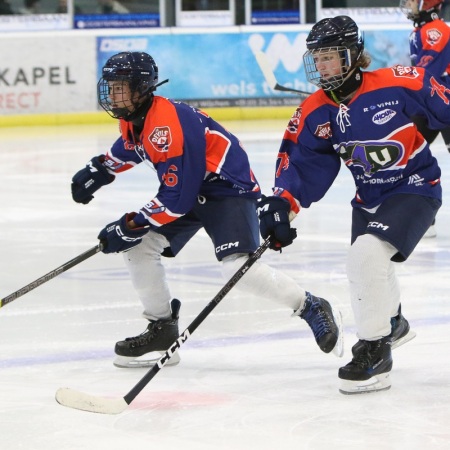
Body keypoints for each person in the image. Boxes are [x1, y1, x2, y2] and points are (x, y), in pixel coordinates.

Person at [70, 51, 344, 369]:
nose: (113, 95)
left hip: (227, 189)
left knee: (238, 269)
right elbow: (131, 147)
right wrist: (101, 168)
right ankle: (162, 329)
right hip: (192, 187)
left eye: (121, 88)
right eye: (111, 87)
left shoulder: (166, 125)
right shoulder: (137, 119)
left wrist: (130, 224)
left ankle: (309, 305)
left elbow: (176, 199)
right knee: (139, 247)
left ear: (142, 88)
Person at [258, 15, 449, 394]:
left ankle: (376, 349)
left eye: (332, 57)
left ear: (355, 54)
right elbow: (302, 164)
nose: (324, 66)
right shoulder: (316, 111)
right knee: (370, 269)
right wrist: (282, 204)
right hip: (368, 200)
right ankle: (392, 322)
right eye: (319, 58)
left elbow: (443, 105)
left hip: (414, 186)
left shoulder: (397, 82)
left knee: (365, 257)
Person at [400, 0, 450, 237]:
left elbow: (426, 69)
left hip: (446, 102)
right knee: (410, 155)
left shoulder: (436, 29)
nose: (407, 4)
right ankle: (424, 219)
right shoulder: (418, 31)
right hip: (432, 104)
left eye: (412, 0)